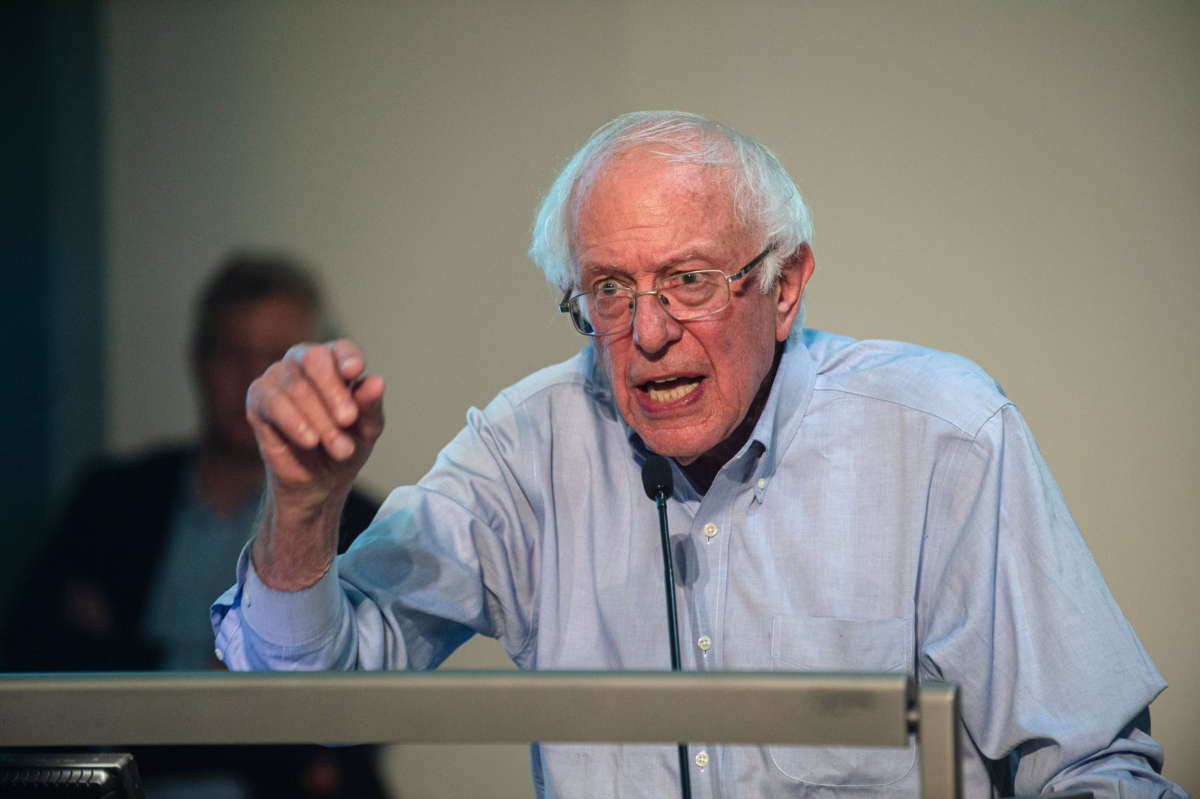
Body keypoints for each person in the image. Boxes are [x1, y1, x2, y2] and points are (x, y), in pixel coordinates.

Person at [212, 112, 1186, 797]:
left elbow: (1096, 769)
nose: (647, 332)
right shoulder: (529, 445)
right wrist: (301, 506)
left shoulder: (942, 434)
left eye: (687, 279)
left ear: (785, 285)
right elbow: (311, 694)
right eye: (607, 287)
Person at [4, 253, 387, 798]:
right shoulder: (111, 498)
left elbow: (346, 724)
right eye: (232, 353)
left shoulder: (359, 521)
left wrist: (137, 675)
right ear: (197, 359)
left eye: (277, 358)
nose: (253, 380)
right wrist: (237, 684)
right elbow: (36, 673)